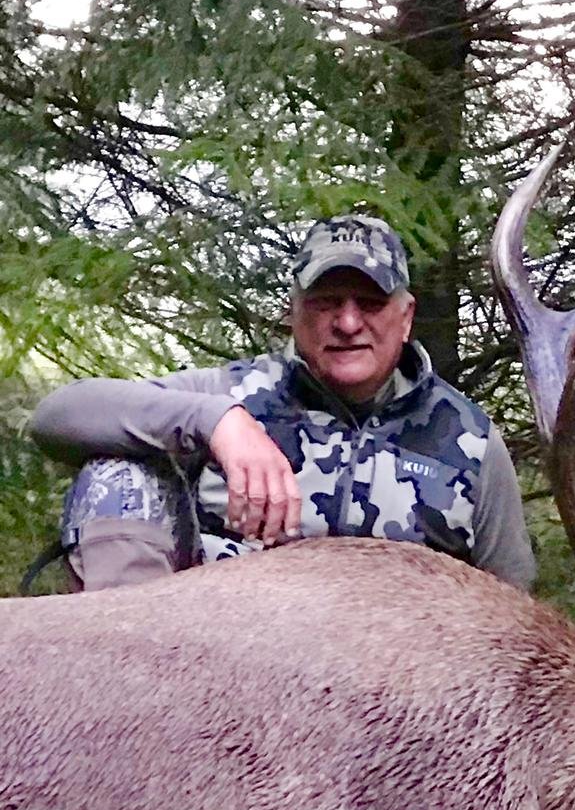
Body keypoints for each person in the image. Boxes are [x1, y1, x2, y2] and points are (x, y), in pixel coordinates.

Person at [28, 215, 535, 593]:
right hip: (216, 654)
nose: (348, 323)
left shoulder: (469, 441)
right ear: (293, 314)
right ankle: (130, 695)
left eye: (371, 303)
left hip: (394, 693)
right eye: (326, 302)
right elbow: (58, 415)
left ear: (405, 318)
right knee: (118, 476)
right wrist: (220, 422)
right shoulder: (233, 392)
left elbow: (513, 605)